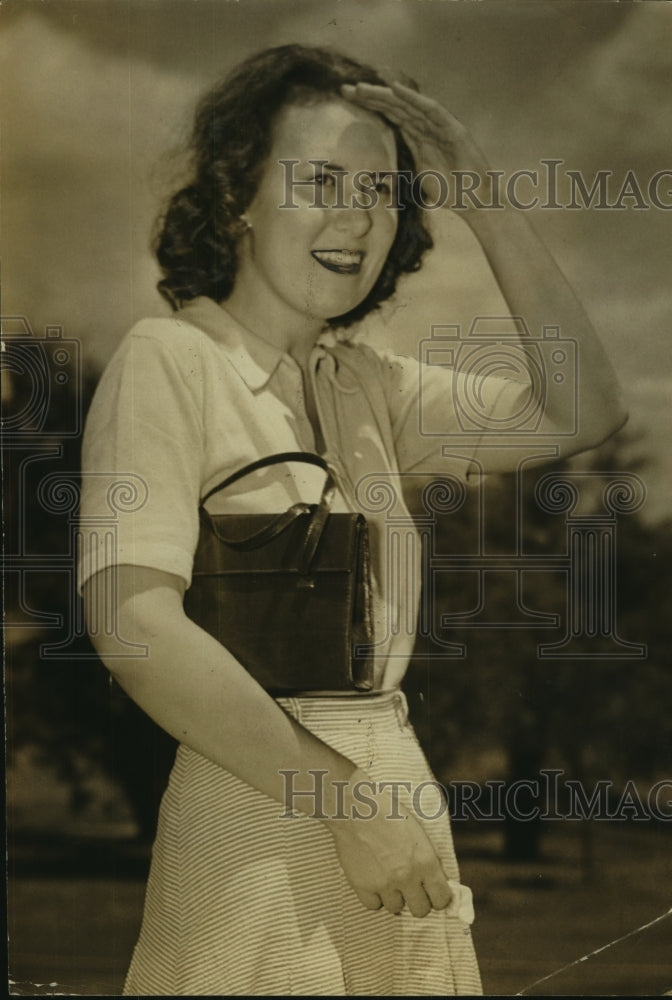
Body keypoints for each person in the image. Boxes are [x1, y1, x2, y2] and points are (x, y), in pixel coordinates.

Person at [78, 44, 627, 996]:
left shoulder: (370, 387)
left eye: (382, 189)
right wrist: (338, 797)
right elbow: (135, 628)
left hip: (394, 795)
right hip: (258, 807)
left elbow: (583, 409)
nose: (357, 216)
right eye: (321, 179)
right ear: (238, 197)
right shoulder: (169, 357)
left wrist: (483, 201)